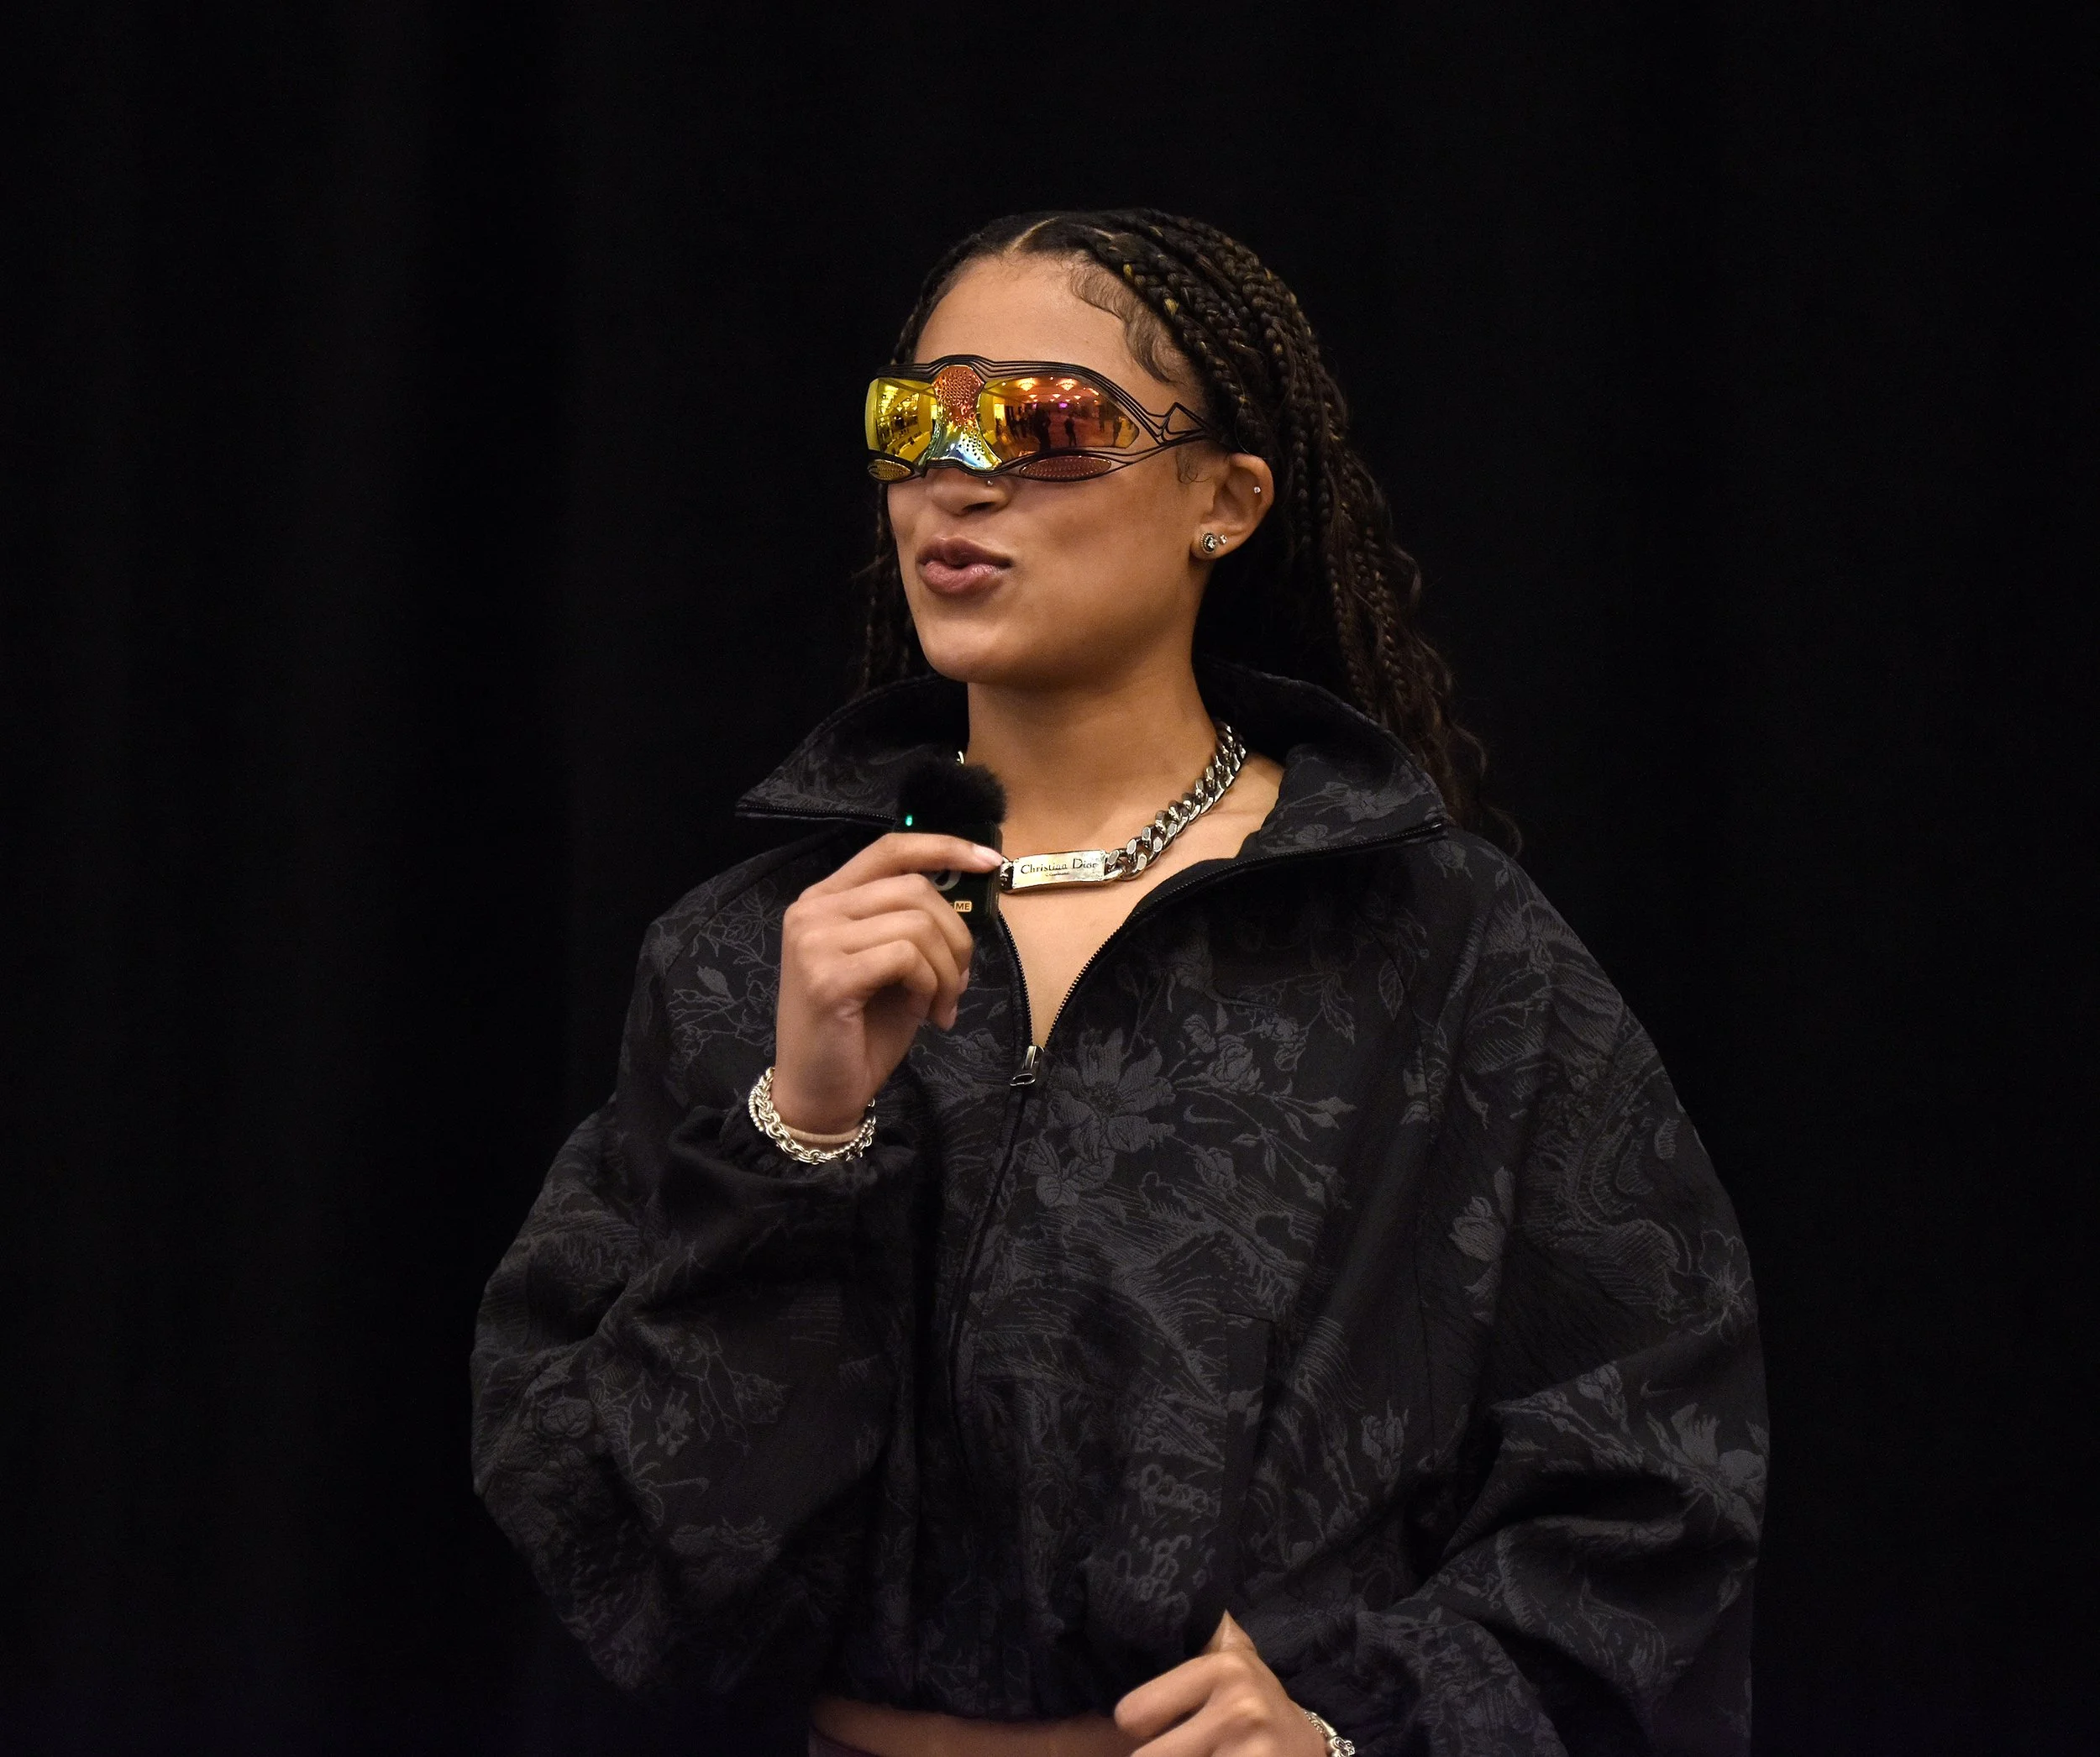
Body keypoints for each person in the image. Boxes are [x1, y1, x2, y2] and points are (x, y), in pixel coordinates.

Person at [471, 210, 1765, 1757]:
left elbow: (1659, 1461)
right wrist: (796, 1131)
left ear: (1223, 501)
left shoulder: (1438, 946)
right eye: (918, 422)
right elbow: (625, 1549)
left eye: (1050, 422)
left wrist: (1361, 1737)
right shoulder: (760, 946)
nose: (961, 475)